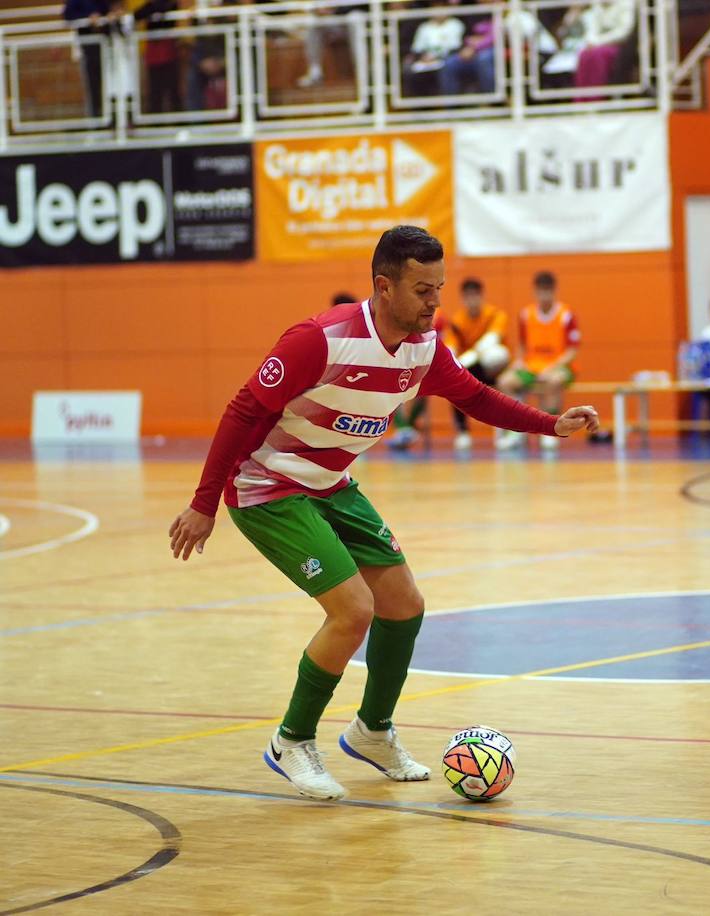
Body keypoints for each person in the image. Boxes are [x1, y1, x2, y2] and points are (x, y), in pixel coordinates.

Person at [167, 226, 599, 800]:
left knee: (404, 605)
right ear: (383, 285)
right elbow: (241, 413)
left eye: (439, 288)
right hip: (266, 487)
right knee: (353, 611)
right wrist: (203, 504)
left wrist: (551, 424)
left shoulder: (424, 347)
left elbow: (474, 397)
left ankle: (372, 731)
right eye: (423, 290)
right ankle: (291, 741)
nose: (435, 302)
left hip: (330, 484)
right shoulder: (318, 340)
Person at [391, 277, 510, 451]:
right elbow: (451, 347)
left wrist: (467, 358)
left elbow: (492, 340)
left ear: (481, 296)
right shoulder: (457, 320)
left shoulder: (495, 315)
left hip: (490, 368)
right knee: (453, 381)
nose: (471, 301)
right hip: (467, 367)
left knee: (496, 355)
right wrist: (456, 362)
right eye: (467, 297)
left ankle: (504, 433)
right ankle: (462, 432)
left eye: (474, 296)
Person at [497, 271, 581, 452]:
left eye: (548, 291)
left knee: (553, 380)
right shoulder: (526, 314)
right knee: (506, 381)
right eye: (541, 291)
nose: (544, 296)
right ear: (535, 292)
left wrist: (553, 366)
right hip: (532, 365)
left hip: (560, 366)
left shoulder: (566, 315)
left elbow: (572, 350)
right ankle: (516, 431)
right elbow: (522, 345)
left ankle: (551, 430)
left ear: (554, 291)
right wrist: (518, 362)